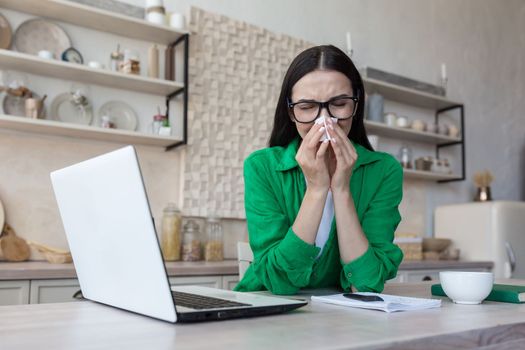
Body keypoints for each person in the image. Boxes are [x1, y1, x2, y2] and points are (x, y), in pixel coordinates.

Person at [234, 45, 403, 295]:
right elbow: (280, 282)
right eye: (306, 107)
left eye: (339, 103)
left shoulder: (384, 170)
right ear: (290, 112)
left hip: (341, 320)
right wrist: (316, 189)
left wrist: (342, 189)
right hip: (268, 309)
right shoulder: (261, 167)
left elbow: (366, 284)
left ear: (355, 106)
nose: (324, 119)